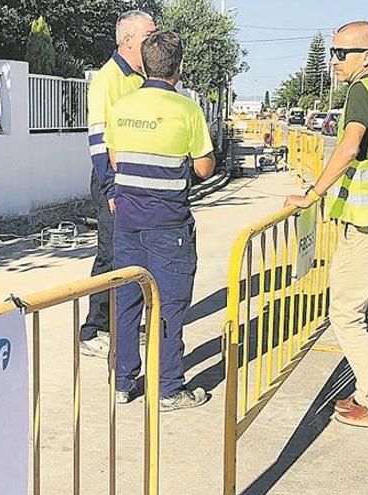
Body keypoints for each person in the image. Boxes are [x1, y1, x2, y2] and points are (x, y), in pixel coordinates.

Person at [285, 21, 368, 431]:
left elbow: (350, 145)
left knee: (343, 313)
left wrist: (314, 193)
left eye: (343, 53)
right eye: (333, 52)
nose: (334, 61)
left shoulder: (364, 90)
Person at [105, 31, 215, 411]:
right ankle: (169, 387)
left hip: (127, 224)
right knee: (169, 307)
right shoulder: (188, 110)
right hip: (169, 227)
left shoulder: (122, 106)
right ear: (179, 68)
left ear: (145, 64)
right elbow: (203, 167)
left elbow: (117, 162)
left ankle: (122, 382)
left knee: (127, 302)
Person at [80, 10, 156, 358]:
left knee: (132, 256)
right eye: (148, 36)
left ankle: (120, 324)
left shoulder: (142, 78)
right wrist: (111, 188)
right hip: (114, 182)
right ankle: (93, 328)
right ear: (127, 41)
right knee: (110, 253)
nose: (154, 42)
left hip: (136, 181)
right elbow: (98, 140)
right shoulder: (108, 80)